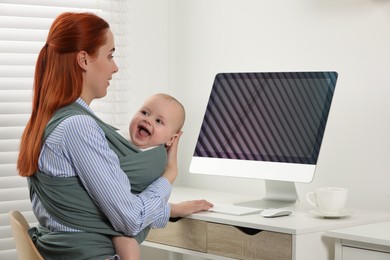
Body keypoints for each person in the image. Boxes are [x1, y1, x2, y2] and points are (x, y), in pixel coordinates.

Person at [17, 12, 212, 259]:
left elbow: (90, 207)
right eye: (110, 55)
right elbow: (130, 220)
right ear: (84, 60)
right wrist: (169, 174)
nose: (115, 67)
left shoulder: (50, 119)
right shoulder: (78, 127)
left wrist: (169, 210)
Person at [113, 93, 186, 260]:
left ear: (171, 140)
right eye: (144, 113)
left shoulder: (156, 157)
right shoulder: (117, 137)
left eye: (159, 121)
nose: (148, 120)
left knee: (127, 242)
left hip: (124, 216)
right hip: (116, 208)